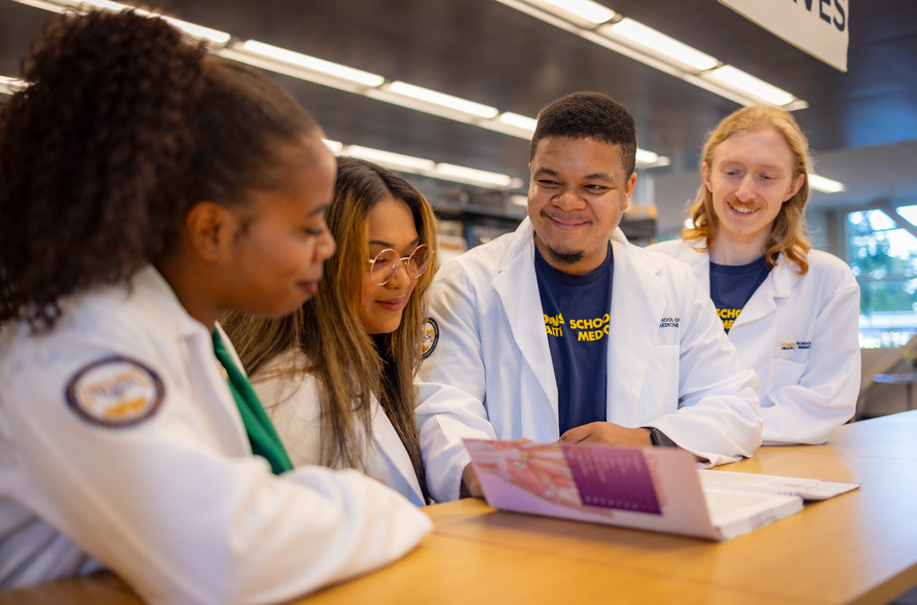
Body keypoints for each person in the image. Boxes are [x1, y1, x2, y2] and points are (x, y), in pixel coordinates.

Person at [0, 10, 430, 605]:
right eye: (308, 226)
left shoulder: (190, 331)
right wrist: (382, 506)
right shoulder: (82, 346)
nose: (328, 248)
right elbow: (223, 552)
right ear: (211, 230)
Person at [415, 91, 762, 502]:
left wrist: (650, 443)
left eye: (594, 186)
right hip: (511, 522)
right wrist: (493, 478)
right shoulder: (467, 282)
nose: (568, 202)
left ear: (628, 190)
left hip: (640, 518)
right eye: (549, 182)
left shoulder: (673, 286)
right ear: (530, 176)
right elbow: (443, 409)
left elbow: (736, 406)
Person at [222, 156, 437, 507]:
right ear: (318, 259)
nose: (403, 279)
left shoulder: (374, 364)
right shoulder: (289, 391)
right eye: (379, 259)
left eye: (412, 255)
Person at [647, 106, 861, 445]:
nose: (745, 192)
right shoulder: (653, 269)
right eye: (732, 172)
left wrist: (692, 434)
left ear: (793, 185)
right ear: (707, 175)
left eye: (766, 176)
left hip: (770, 469)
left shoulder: (827, 281)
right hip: (665, 466)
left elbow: (824, 405)